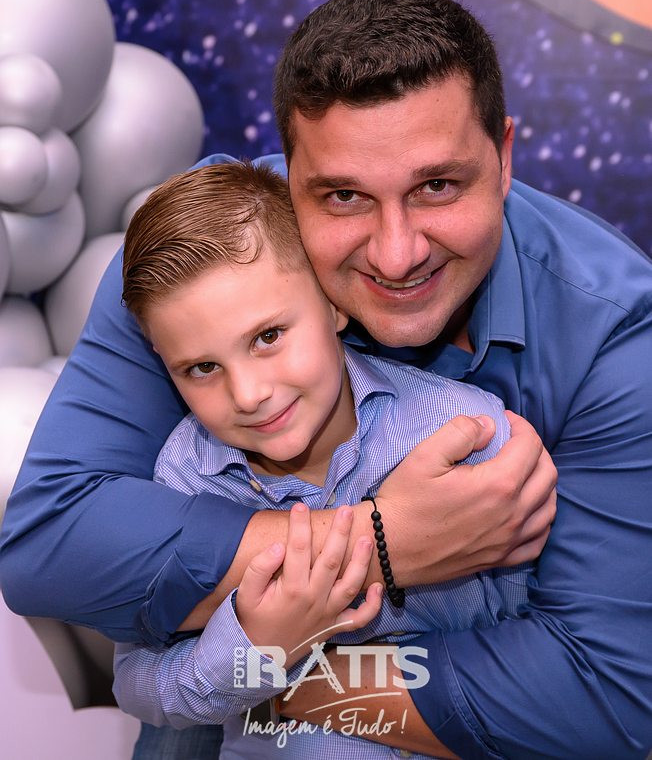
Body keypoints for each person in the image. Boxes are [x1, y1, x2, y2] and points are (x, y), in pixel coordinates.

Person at [1, 0, 650, 758]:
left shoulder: (613, 336)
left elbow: (606, 698)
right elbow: (50, 547)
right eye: (344, 195)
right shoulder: (211, 258)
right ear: (289, 177)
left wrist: (265, 674)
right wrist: (377, 543)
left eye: (438, 186)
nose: (397, 253)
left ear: (504, 157)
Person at [113, 160, 528, 759]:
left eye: (268, 337)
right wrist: (258, 647)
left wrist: (308, 671)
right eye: (202, 368)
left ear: (333, 303)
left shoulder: (461, 431)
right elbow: (138, 684)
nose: (248, 394)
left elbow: (530, 650)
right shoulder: (183, 477)